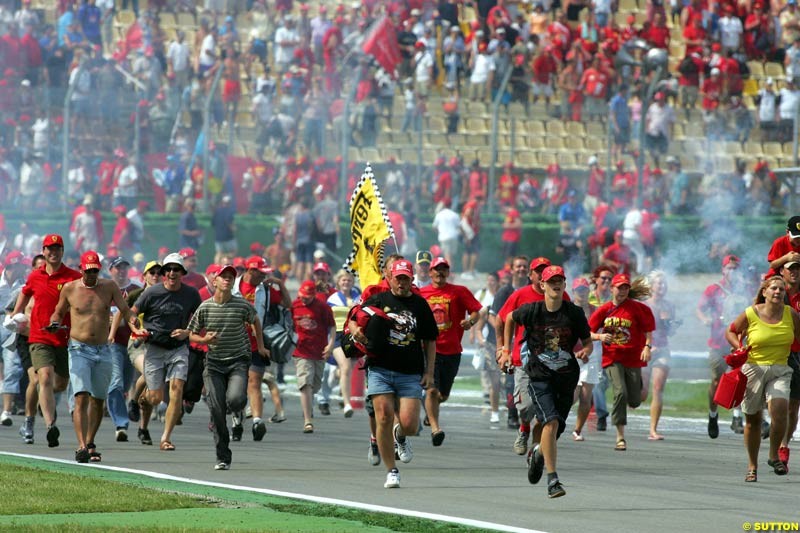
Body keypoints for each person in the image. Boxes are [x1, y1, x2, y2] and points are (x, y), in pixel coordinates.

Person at [505, 265, 592, 498]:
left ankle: (538, 454)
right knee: (550, 422)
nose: (556, 284)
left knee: (556, 429)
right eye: (551, 280)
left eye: (560, 280)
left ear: (564, 285)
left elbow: (587, 340)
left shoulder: (573, 313)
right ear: (542, 285)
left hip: (566, 376)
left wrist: (586, 350)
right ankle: (553, 480)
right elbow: (508, 318)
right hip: (539, 375)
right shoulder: (532, 310)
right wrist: (505, 349)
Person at [49, 251, 139, 463]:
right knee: (81, 396)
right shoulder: (70, 288)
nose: (91, 274)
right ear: (81, 269)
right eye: (88, 271)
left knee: (98, 400)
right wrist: (54, 322)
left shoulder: (109, 287)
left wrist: (135, 323)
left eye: (95, 270)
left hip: (103, 349)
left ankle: (90, 443)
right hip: (79, 349)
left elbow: (125, 310)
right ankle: (80, 446)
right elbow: (58, 312)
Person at [358, 259, 438, 488]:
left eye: (406, 278)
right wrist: (357, 334)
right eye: (398, 278)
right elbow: (355, 321)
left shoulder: (420, 305)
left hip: (410, 372)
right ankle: (391, 470)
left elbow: (430, 340)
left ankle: (400, 435)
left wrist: (429, 371)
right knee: (382, 415)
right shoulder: (378, 301)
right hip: (380, 369)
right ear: (389, 278)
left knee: (411, 425)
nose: (402, 283)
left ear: (411, 279)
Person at [188, 265, 269, 470]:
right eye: (223, 277)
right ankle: (223, 455)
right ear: (214, 281)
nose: (227, 280)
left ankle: (238, 411)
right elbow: (192, 333)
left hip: (238, 361)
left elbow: (255, 320)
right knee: (216, 409)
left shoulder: (241, 305)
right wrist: (205, 339)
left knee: (235, 399)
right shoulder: (205, 307)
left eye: (230, 277)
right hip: (214, 363)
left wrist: (260, 346)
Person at [726, 275, 799, 481]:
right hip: (754, 369)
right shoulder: (751, 313)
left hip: (781, 370)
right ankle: (752, 465)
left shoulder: (790, 314)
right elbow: (731, 331)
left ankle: (773, 454)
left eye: (781, 290)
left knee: (780, 412)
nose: (778, 292)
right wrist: (739, 347)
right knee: (753, 420)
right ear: (765, 292)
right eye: (774, 288)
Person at [11, 234, 81, 448]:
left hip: (65, 337)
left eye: (57, 248)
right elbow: (24, 293)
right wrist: (14, 315)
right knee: (44, 377)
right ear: (43, 251)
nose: (53, 252)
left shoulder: (73, 277)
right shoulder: (35, 276)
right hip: (39, 336)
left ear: (62, 251)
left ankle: (37, 413)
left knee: (58, 383)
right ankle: (50, 425)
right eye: (49, 248)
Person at [130, 253, 202, 451]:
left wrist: (187, 332)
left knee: (177, 390)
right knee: (155, 398)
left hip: (178, 349)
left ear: (182, 273)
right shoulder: (152, 293)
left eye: (176, 269)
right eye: (168, 269)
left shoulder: (191, 294)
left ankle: (165, 438)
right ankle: (142, 399)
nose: (172, 273)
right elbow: (132, 313)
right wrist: (136, 328)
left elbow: (200, 318)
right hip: (154, 347)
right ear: (164, 273)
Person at [419, 257, 482, 446]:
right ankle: (436, 430)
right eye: (436, 269)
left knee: (442, 395)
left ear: (448, 272)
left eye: (443, 269)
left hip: (452, 351)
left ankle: (431, 412)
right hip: (429, 350)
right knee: (431, 390)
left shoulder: (459, 291)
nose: (440, 272)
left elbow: (476, 311)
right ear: (430, 273)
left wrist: (470, 321)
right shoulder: (421, 293)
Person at [589, 273, 655, 451]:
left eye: (626, 287)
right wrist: (600, 336)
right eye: (620, 287)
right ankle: (620, 437)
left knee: (634, 400)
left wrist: (647, 347)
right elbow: (587, 331)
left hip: (633, 357)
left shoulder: (637, 309)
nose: (623, 291)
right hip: (612, 358)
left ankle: (635, 387)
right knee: (620, 392)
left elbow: (648, 329)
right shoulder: (604, 310)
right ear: (612, 289)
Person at [232, 256, 290, 439]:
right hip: (234, 343)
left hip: (258, 343)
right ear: (251, 271)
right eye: (261, 273)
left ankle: (257, 421)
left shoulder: (266, 289)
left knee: (254, 382)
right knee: (236, 388)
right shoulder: (233, 287)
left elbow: (287, 304)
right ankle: (237, 419)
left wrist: (280, 284)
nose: (264, 276)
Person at [697, 254, 750, 437]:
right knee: (716, 380)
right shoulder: (714, 289)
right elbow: (700, 308)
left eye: (736, 269)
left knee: (741, 379)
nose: (733, 272)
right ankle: (713, 414)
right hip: (718, 341)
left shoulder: (746, 290)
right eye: (730, 268)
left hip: (739, 342)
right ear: (723, 269)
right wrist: (706, 319)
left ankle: (737, 417)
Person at [291, 280, 336, 433]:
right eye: (302, 296)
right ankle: (307, 420)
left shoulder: (322, 307)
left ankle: (308, 405)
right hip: (301, 351)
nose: (304, 300)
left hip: (319, 351)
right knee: (305, 383)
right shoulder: (294, 305)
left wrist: (330, 345)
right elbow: (288, 324)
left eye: (307, 298)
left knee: (314, 385)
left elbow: (332, 326)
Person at [643, 271, 680, 440]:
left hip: (663, 349)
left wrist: (671, 324)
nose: (662, 286)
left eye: (664, 284)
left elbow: (670, 333)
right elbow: (637, 329)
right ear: (651, 286)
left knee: (658, 389)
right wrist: (647, 346)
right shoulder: (644, 304)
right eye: (659, 283)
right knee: (641, 394)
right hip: (644, 350)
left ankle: (653, 430)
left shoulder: (669, 305)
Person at [324, 270, 361, 417]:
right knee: (346, 367)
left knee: (348, 369)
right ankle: (347, 403)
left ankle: (337, 373)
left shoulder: (358, 298)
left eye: (349, 280)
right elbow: (327, 320)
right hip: (337, 335)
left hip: (353, 335)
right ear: (338, 282)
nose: (346, 283)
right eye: (343, 280)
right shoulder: (332, 299)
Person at [569, 277, 602, 441]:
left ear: (589, 292)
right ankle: (556, 420)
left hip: (591, 356)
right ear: (573, 292)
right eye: (579, 290)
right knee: (572, 394)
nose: (582, 293)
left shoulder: (596, 310)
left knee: (585, 396)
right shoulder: (567, 310)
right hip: (571, 355)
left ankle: (577, 430)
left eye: (584, 290)